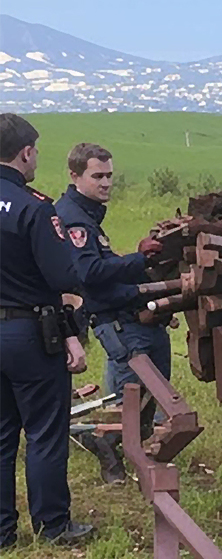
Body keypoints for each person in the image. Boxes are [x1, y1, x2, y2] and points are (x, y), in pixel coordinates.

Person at [0, 114, 93, 548]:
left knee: (1, 436)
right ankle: (52, 526)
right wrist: (72, 331)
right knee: (43, 432)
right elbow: (62, 276)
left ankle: (2, 533)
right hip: (29, 333)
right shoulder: (35, 207)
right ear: (25, 153)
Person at [55, 143, 169, 484]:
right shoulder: (74, 219)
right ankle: (106, 449)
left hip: (125, 316)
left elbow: (103, 267)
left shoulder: (87, 215)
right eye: (98, 176)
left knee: (148, 397)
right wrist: (138, 263)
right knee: (129, 400)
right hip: (115, 322)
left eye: (109, 176)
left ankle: (135, 455)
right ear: (75, 176)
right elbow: (89, 275)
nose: (106, 183)